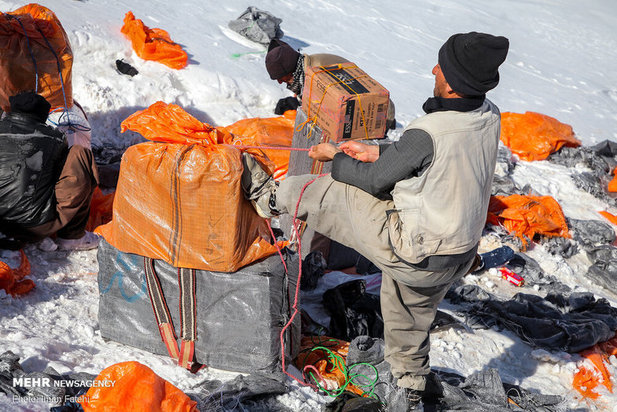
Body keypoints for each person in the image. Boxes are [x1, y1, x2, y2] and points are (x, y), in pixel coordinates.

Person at [245, 31, 509, 409]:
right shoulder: (488, 116)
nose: (434, 69)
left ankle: (268, 199)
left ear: (452, 84)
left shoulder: (428, 132)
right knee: (407, 310)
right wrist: (377, 152)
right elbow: (429, 156)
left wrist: (335, 156)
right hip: (455, 255)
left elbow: (371, 180)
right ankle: (409, 384)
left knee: (336, 192)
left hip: (415, 252)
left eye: (441, 66)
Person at [0, 91, 100, 251]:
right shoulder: (53, 137)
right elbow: (59, 178)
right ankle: (72, 236)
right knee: (81, 156)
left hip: (2, 225)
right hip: (36, 226)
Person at [265, 38, 396, 130]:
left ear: (290, 70)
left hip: (376, 117)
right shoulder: (306, 68)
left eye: (281, 77)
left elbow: (332, 113)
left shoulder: (319, 74)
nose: (280, 82)